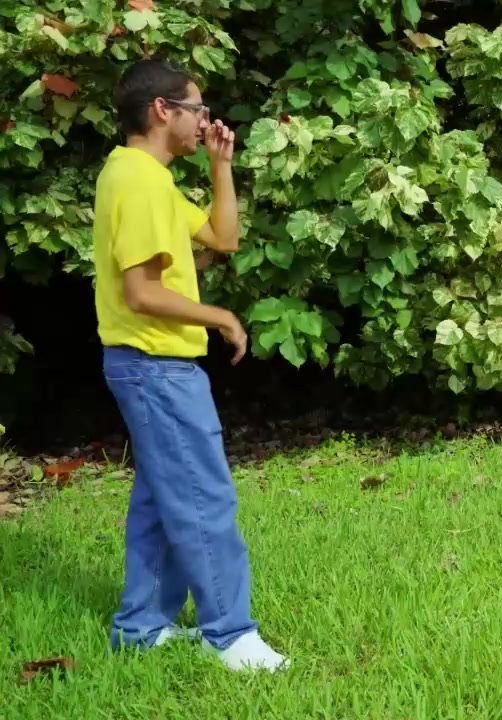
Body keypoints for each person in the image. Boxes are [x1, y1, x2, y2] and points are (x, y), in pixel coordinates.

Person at [92, 58, 289, 671]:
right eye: (197, 109)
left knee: (163, 498)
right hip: (156, 364)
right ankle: (230, 633)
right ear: (162, 110)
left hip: (149, 363)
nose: (204, 120)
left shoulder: (141, 175)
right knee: (204, 497)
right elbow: (141, 292)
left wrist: (220, 166)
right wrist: (220, 316)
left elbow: (222, 240)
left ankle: (140, 628)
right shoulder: (140, 183)